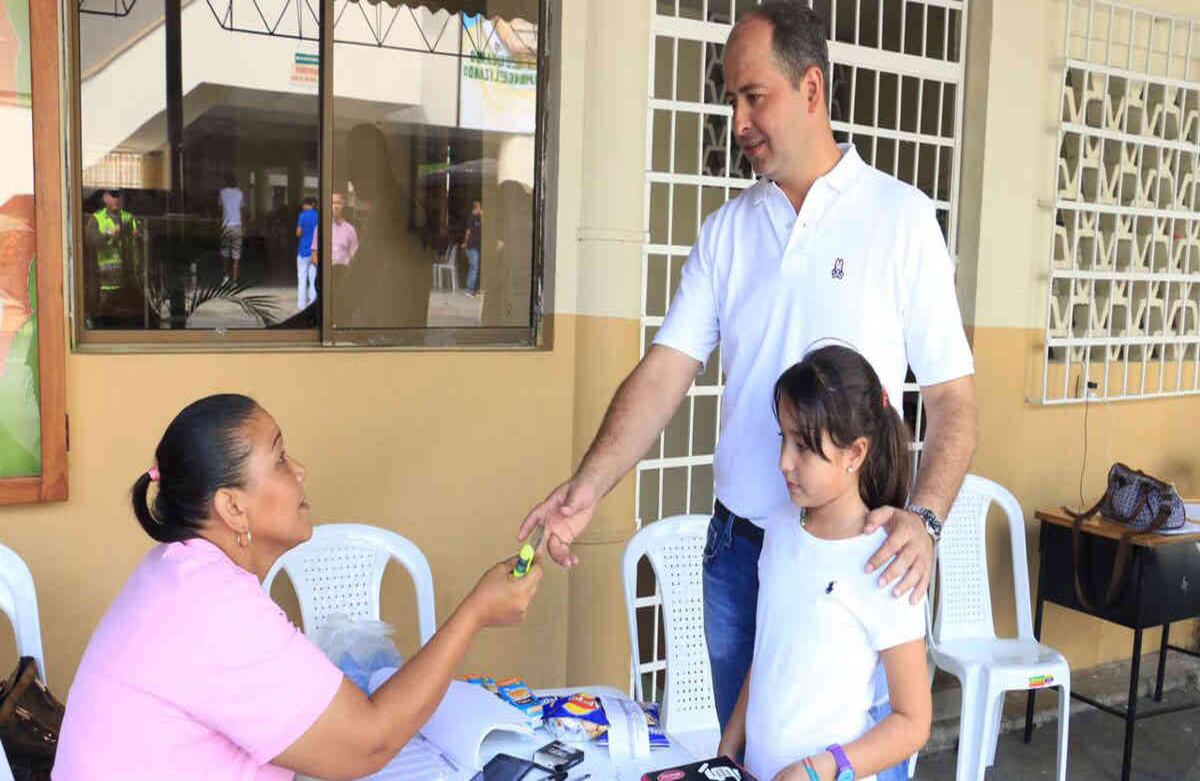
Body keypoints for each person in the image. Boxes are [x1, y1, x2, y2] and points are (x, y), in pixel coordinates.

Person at [518, 5, 976, 778]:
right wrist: (587, 488)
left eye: (752, 96)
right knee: (750, 760)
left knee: (851, 761)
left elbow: (956, 405)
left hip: (857, 562)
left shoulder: (900, 220)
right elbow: (665, 369)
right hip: (741, 554)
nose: (737, 121)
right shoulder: (728, 230)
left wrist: (924, 521)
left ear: (810, 88)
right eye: (730, 99)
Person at [54, 394, 543, 781]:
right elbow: (367, 743)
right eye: (282, 459)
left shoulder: (177, 571)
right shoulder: (215, 609)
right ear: (233, 508)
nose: (302, 471)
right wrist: (476, 613)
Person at [718, 346, 931, 781]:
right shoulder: (779, 529)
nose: (783, 462)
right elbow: (769, 655)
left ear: (855, 453)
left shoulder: (887, 562)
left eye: (803, 447)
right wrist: (726, 751)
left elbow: (912, 722)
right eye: (784, 438)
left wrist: (821, 769)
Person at [83, 188, 141, 326]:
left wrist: (138, 235)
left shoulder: (128, 217)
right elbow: (91, 242)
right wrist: (109, 235)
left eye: (119, 196)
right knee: (104, 322)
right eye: (113, 196)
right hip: (104, 285)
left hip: (127, 283)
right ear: (105, 198)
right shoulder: (97, 219)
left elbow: (141, 239)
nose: (117, 200)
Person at [218, 175, 245, 284]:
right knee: (236, 255)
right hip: (237, 226)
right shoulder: (240, 194)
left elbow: (220, 209)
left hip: (225, 226)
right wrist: (244, 227)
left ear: (226, 182)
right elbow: (242, 211)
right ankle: (234, 281)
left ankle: (225, 276)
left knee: (225, 253)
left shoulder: (222, 193)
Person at [295, 197, 319, 310]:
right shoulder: (318, 215)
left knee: (302, 279)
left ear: (306, 205)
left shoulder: (302, 215)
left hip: (303, 251)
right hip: (315, 252)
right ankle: (313, 303)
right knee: (313, 279)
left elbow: (298, 233)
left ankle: (301, 306)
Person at [463, 200, 482, 297]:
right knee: (474, 267)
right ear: (476, 208)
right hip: (471, 246)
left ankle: (473, 289)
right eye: (480, 207)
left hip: (477, 247)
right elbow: (468, 232)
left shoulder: (479, 217)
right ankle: (469, 289)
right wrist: (465, 243)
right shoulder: (471, 218)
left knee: (475, 267)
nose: (481, 209)